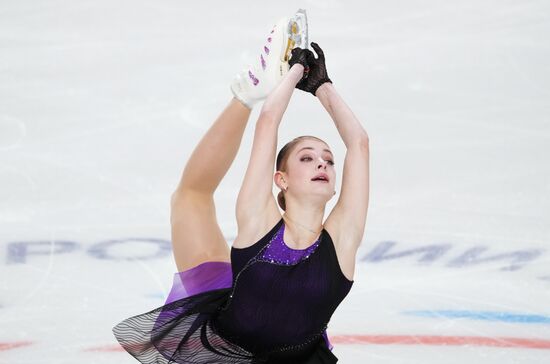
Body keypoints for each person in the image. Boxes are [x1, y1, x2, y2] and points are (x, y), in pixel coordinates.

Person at [113, 9, 370, 364]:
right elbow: (269, 122)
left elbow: (358, 143)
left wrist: (322, 85)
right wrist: (292, 72)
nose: (323, 164)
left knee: (191, 197)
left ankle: (249, 93)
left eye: (327, 159)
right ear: (280, 179)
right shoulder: (259, 220)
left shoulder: (342, 240)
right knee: (191, 197)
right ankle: (246, 92)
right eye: (307, 158)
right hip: (223, 352)